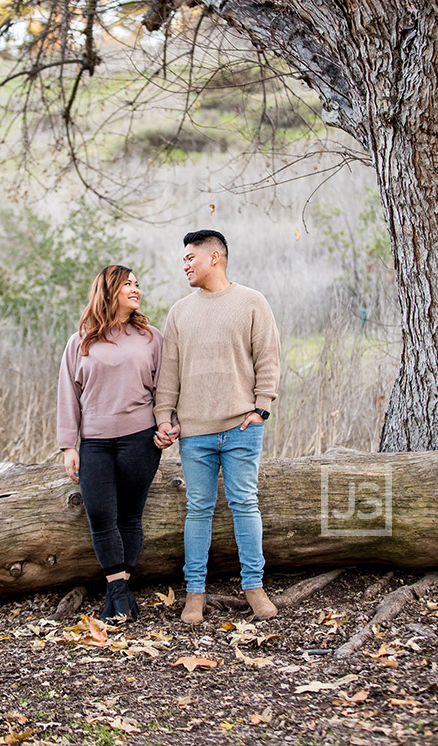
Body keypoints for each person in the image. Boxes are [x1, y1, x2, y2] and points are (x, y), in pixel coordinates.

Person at [154, 230, 280, 624]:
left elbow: (269, 358)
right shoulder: (179, 312)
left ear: (215, 257)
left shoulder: (251, 302)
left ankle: (254, 588)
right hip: (195, 433)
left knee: (245, 504)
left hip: (242, 427)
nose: (186, 265)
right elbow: (169, 373)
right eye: (183, 260)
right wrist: (163, 416)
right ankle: (195, 594)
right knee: (198, 510)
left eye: (191, 257)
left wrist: (262, 408)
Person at [57, 265, 163, 621]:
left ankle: (117, 597)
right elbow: (68, 395)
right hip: (95, 444)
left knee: (130, 516)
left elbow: (165, 388)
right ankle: (119, 590)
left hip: (140, 439)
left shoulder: (150, 337)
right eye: (128, 285)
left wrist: (168, 425)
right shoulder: (81, 341)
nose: (136, 289)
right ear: (109, 291)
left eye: (137, 284)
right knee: (101, 515)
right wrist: (69, 445)